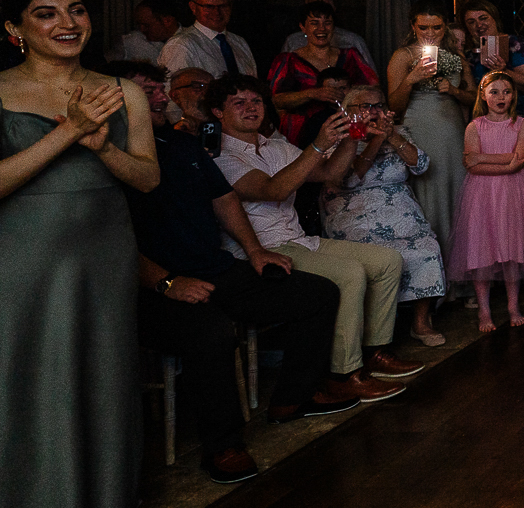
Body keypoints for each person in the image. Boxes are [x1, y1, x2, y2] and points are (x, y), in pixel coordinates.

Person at [106, 61, 354, 478]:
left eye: (157, 89)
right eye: (145, 90)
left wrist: (255, 252)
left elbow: (224, 200)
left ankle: (292, 399)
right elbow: (111, 239)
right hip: (150, 286)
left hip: (215, 267)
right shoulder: (109, 155)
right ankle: (223, 446)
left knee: (318, 294)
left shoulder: (180, 144)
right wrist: (166, 282)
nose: (160, 97)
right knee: (212, 331)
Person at [2, 0, 159, 508]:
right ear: (16, 29)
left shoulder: (122, 93)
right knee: (29, 382)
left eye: (76, 10)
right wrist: (65, 132)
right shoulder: (0, 89)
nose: (66, 22)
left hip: (103, 253)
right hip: (22, 257)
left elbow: (146, 179)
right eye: (45, 13)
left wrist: (100, 148)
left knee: (95, 375)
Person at [207, 75, 420, 396]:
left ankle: (374, 352)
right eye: (239, 103)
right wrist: (318, 144)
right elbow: (273, 189)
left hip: (299, 240)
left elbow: (331, 175)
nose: (251, 108)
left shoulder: (275, 146)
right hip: (263, 249)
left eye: (256, 101)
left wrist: (352, 136)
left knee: (388, 260)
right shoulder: (220, 157)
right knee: (350, 274)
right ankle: (343, 374)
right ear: (218, 113)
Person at [322, 85, 448, 346]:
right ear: (349, 111)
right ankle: (372, 328)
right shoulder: (338, 136)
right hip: (352, 210)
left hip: (399, 207)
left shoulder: (398, 131)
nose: (374, 111)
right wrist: (376, 140)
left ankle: (421, 323)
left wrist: (392, 137)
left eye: (378, 105)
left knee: (426, 246)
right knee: (374, 253)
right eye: (365, 106)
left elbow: (422, 165)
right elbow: (349, 181)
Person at [448, 72, 524, 332]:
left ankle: (512, 306)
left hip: (514, 192)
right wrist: (506, 165)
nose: (500, 97)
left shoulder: (522, 124)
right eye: (494, 91)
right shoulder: (475, 126)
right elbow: (471, 165)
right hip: (482, 193)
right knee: (482, 249)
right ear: (483, 95)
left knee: (511, 248)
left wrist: (482, 159)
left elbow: (518, 157)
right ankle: (484, 310)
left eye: (506, 92)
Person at [387, 1, 474, 249]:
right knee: (428, 189)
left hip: (453, 130)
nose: (430, 33)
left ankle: (460, 271)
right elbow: (393, 105)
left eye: (436, 27)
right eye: (424, 27)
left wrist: (455, 91)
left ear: (445, 26)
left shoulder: (456, 56)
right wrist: (411, 79)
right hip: (419, 127)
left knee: (456, 187)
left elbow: (475, 98)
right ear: (413, 26)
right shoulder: (402, 55)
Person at [267, 0, 378, 147]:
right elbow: (277, 100)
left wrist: (350, 95)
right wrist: (312, 94)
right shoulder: (289, 60)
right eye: (314, 23)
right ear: (303, 27)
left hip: (347, 131)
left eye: (327, 23)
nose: (322, 28)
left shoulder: (351, 56)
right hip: (301, 136)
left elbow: (374, 90)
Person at [461, 0, 524, 178]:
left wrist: (503, 71)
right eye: (471, 21)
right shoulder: (470, 53)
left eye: (483, 18)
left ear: (494, 18)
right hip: (486, 122)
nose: (479, 25)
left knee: (522, 170)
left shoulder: (516, 44)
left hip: (519, 116)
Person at [159, 0, 257, 85]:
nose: (216, 12)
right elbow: (173, 92)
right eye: (208, 7)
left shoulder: (239, 42)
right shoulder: (181, 45)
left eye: (223, 6)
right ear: (193, 7)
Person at [280, 0, 372, 62]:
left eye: (327, 21)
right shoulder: (292, 43)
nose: (321, 28)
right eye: (315, 22)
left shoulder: (352, 42)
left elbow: (371, 82)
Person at [115, 0, 182, 64]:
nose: (142, 29)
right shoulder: (132, 41)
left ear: (167, 21)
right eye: (139, 24)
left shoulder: (187, 43)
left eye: (146, 25)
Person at [170, 66, 215, 135]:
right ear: (176, 96)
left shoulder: (228, 127)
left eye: (211, 87)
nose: (206, 92)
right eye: (198, 87)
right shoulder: (173, 133)